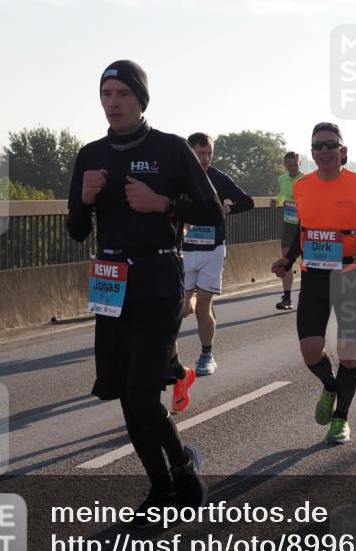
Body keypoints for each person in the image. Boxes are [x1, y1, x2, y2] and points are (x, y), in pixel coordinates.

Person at [67, 60, 220, 524]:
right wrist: (85, 200)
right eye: (106, 94)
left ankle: (183, 467)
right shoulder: (91, 154)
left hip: (158, 281)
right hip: (111, 284)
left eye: (122, 94)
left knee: (140, 395)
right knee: (124, 394)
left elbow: (213, 212)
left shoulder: (170, 149)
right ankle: (160, 487)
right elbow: (76, 230)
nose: (112, 103)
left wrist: (163, 204)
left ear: (141, 99)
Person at [271, 122, 356, 444]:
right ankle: (330, 385)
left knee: (348, 354)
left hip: (348, 276)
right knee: (311, 351)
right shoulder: (302, 187)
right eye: (318, 146)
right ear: (312, 153)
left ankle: (341, 419)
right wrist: (288, 259)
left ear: (342, 150)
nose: (324, 151)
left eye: (330, 145)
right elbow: (303, 230)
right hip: (314, 277)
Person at [178, 132, 254, 377]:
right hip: (185, 250)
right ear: (190, 152)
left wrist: (228, 207)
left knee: (203, 306)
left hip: (213, 249)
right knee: (182, 309)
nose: (205, 158)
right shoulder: (178, 176)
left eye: (209, 153)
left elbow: (247, 202)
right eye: (200, 153)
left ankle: (206, 356)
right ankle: (171, 356)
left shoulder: (218, 178)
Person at [269, 151, 304, 310]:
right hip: (288, 224)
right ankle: (287, 298)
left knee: (306, 261)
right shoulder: (282, 179)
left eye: (295, 164)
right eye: (289, 165)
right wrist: (276, 201)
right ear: (285, 165)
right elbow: (283, 195)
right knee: (286, 260)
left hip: (304, 225)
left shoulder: (306, 179)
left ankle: (307, 294)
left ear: (300, 163)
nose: (293, 168)